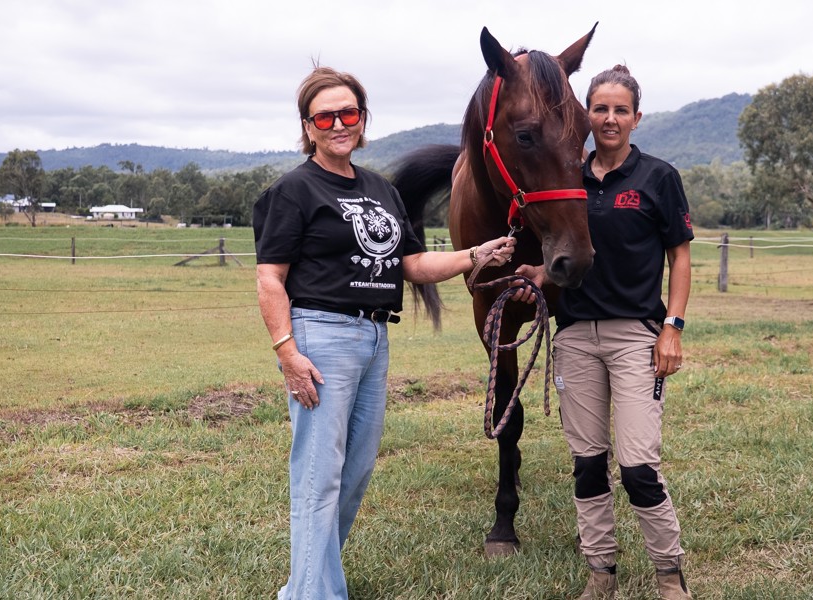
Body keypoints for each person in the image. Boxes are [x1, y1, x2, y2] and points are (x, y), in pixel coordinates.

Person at [253, 66, 515, 600]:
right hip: (320, 335)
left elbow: (411, 265)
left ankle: (308, 586)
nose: (338, 125)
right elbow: (269, 279)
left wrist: (474, 254)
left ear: (362, 119)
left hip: (374, 339)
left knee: (354, 475)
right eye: (324, 117)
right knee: (318, 475)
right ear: (307, 127)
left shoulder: (380, 190)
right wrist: (287, 351)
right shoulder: (294, 190)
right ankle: (313, 595)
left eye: (348, 113)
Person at [512, 64, 694, 600]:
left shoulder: (658, 177)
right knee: (588, 464)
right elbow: (567, 249)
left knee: (638, 467)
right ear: (584, 117)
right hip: (575, 337)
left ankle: (668, 573)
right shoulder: (568, 175)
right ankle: (601, 573)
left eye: (620, 110)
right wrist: (540, 276)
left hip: (636, 335)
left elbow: (679, 258)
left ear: (636, 118)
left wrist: (672, 328)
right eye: (600, 109)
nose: (610, 119)